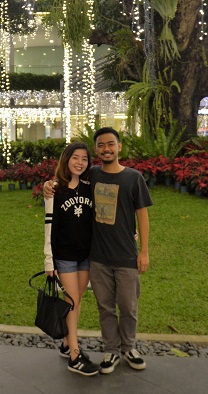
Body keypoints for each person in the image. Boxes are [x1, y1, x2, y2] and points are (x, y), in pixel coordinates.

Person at [44, 127, 152, 374]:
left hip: (125, 255)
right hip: (97, 257)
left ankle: (129, 347)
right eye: (101, 145)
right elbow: (61, 182)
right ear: (97, 150)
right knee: (103, 307)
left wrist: (143, 251)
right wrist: (47, 187)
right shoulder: (90, 175)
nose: (107, 149)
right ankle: (111, 351)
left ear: (119, 146)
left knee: (127, 305)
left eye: (111, 144)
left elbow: (142, 216)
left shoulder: (132, 177)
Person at [44, 142, 100, 376]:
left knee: (77, 301)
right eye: (75, 157)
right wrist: (49, 261)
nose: (79, 162)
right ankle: (75, 355)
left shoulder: (90, 187)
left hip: (85, 255)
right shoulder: (54, 189)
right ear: (66, 160)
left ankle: (67, 343)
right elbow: (49, 227)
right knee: (72, 301)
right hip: (64, 256)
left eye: (84, 159)